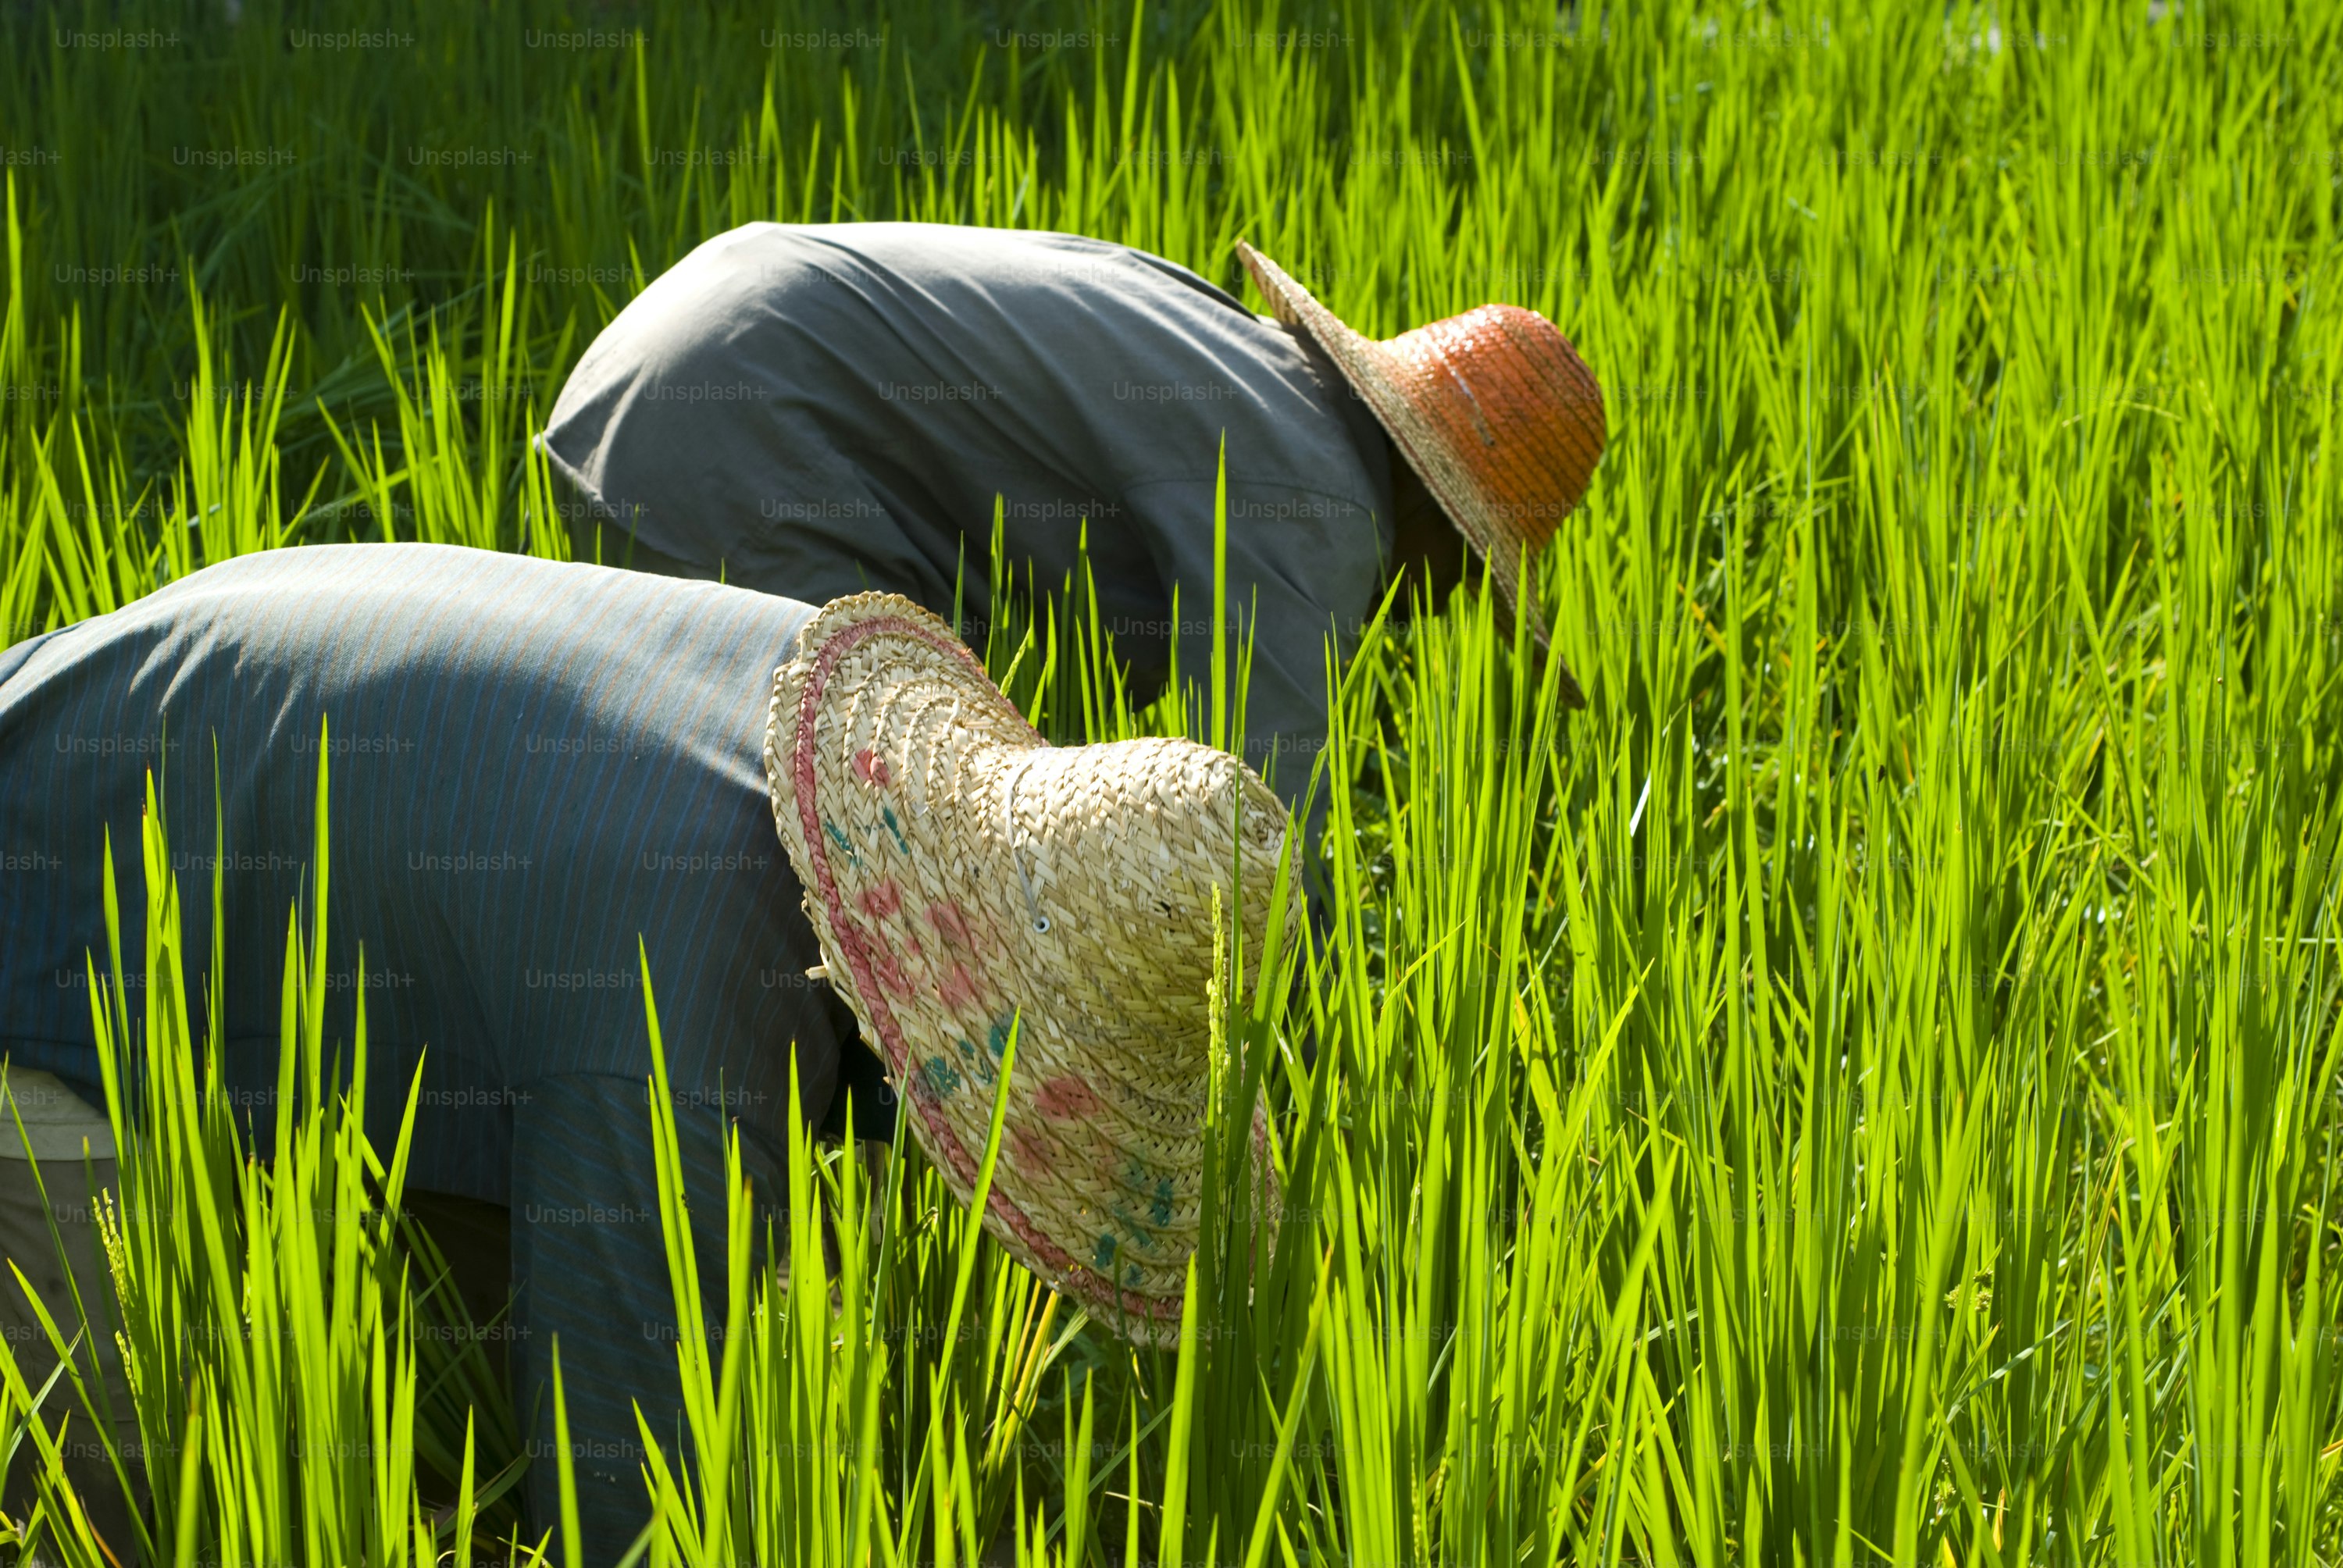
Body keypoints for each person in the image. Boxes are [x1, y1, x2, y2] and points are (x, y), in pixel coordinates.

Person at [0, 546, 1297, 1566]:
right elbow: (630, 1500)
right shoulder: (683, 1020)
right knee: (115, 1486)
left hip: (219, 728)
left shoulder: (828, 736)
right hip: (54, 905)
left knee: (447, 1377)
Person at [533, 223, 1608, 908]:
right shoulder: (1317, 504)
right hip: (738, 439)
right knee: (840, 866)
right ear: (1428, 507)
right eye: (1466, 569)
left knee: (844, 832)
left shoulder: (1252, 370)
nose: (1433, 609)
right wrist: (1322, 1067)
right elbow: (1255, 842)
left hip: (689, 337)